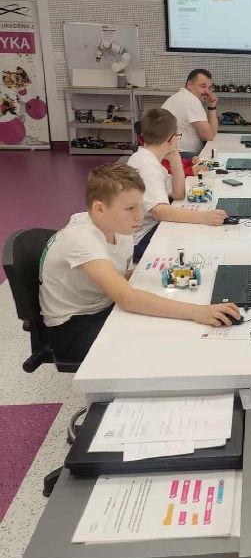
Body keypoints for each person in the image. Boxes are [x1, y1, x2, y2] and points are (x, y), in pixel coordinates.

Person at [39, 164, 240, 363]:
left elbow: (125, 279)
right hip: (73, 326)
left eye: (139, 206)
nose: (140, 216)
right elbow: (127, 299)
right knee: (156, 345)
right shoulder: (82, 238)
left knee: (169, 322)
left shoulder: (120, 226)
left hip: (106, 304)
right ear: (99, 209)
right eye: (130, 208)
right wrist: (198, 311)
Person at [127, 108, 227, 262]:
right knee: (197, 234)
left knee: (192, 226)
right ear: (172, 139)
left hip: (147, 229)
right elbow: (160, 212)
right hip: (140, 240)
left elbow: (177, 194)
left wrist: (175, 159)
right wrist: (204, 217)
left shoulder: (147, 158)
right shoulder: (148, 167)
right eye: (178, 136)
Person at [162, 69, 219, 158]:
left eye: (209, 88)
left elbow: (212, 134)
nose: (207, 92)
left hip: (173, 152)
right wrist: (212, 109)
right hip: (182, 155)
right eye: (203, 86)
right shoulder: (190, 100)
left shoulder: (182, 96)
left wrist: (211, 107)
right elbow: (209, 136)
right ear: (189, 84)